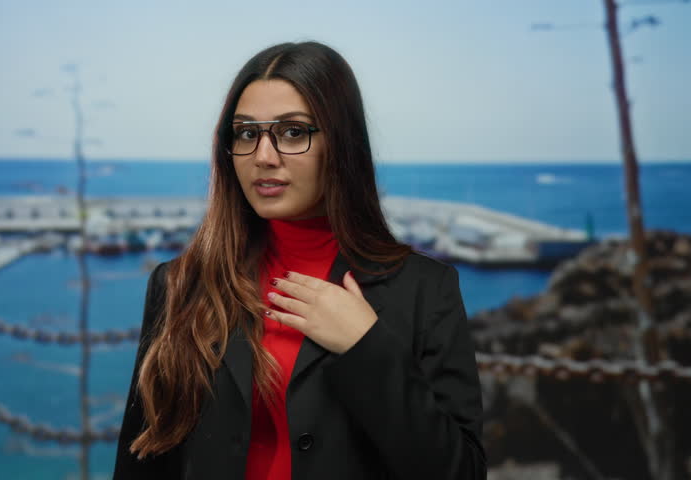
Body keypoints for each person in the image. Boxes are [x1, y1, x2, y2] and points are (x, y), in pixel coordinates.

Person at [112, 41, 486, 479]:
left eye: (293, 132)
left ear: (341, 144)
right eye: (247, 133)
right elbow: (141, 462)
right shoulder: (178, 284)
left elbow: (460, 472)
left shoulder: (425, 290)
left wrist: (366, 348)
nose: (263, 157)